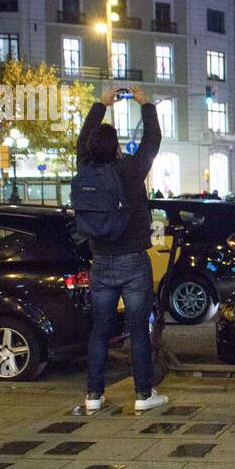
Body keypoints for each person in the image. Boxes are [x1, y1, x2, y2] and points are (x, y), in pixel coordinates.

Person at [76, 85, 168, 413]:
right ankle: (143, 395)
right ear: (116, 147)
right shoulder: (129, 171)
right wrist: (146, 105)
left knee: (100, 330)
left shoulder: (85, 168)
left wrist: (100, 104)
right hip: (132, 262)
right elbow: (152, 141)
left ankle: (93, 396)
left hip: (100, 261)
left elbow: (83, 137)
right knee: (138, 330)